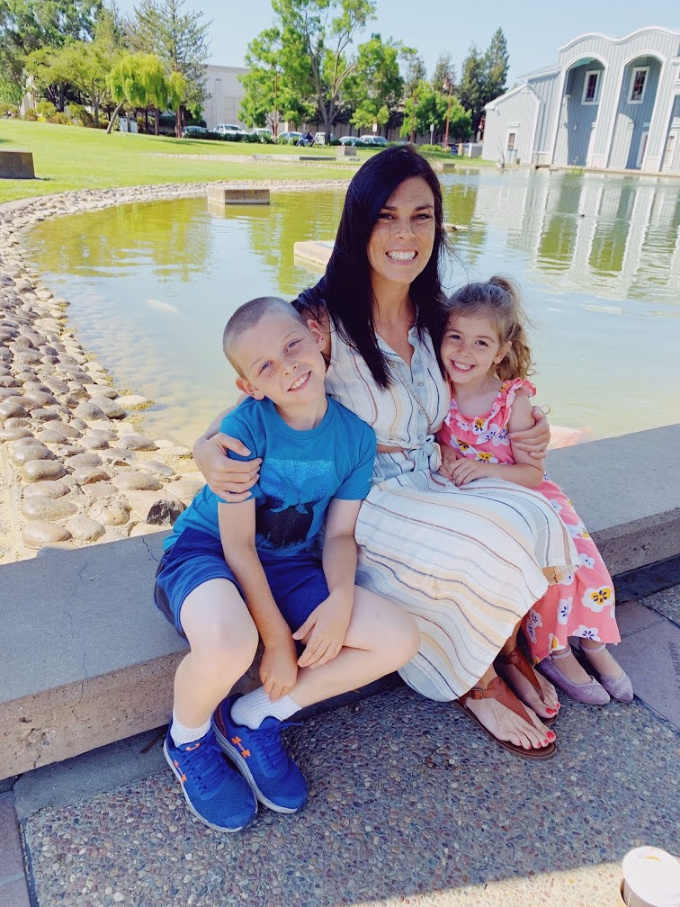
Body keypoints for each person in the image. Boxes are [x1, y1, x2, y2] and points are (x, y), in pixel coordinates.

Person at [194, 146, 580, 759]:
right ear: (358, 222)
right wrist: (203, 447)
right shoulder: (318, 320)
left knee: (535, 515)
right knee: (481, 542)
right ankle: (472, 681)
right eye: (386, 216)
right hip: (364, 494)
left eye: (421, 216)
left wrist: (525, 424)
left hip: (433, 473)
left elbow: (481, 377)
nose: (406, 234)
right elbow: (248, 404)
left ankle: (503, 651)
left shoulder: (436, 310)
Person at [155, 296, 420, 833]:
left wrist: (341, 597)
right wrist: (278, 643)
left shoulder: (355, 438)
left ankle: (253, 719)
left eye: (292, 345)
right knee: (233, 645)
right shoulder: (243, 430)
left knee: (398, 638)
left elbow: (341, 533)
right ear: (249, 386)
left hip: (292, 564)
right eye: (265, 366)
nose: (287, 367)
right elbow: (238, 548)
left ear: (318, 338)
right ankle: (187, 738)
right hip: (208, 555)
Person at [437, 276, 633, 705]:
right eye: (455, 337)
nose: (464, 352)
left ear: (502, 352)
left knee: (581, 556)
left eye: (481, 343)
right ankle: (555, 650)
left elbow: (530, 472)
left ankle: (595, 644)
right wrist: (449, 460)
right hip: (487, 503)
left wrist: (481, 468)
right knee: (547, 562)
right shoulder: (437, 394)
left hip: (526, 490)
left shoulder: (513, 399)